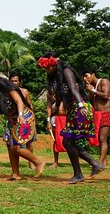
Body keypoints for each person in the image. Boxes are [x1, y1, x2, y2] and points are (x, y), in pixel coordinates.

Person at [38, 52, 104, 184]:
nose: (46, 70)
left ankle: (84, 171)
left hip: (81, 108)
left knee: (68, 142)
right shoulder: (56, 77)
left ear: (53, 64)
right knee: (68, 142)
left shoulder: (66, 71)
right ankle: (92, 165)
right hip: (74, 109)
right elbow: (60, 96)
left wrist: (80, 106)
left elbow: (74, 89)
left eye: (48, 67)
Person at [0, 70, 45, 180]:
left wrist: (21, 115)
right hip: (12, 119)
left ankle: (39, 163)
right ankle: (15, 174)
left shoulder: (9, 88)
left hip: (23, 117)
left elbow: (19, 101)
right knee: (10, 146)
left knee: (16, 147)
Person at [82, 68, 110, 167]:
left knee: (102, 138)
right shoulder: (92, 87)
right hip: (97, 114)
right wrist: (90, 91)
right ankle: (104, 162)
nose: (85, 78)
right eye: (83, 77)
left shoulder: (104, 81)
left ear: (93, 74)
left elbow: (106, 95)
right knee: (99, 138)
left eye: (86, 76)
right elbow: (91, 101)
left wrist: (93, 90)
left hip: (106, 113)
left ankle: (99, 163)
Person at [9, 71, 36, 167]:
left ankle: (32, 162)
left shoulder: (24, 91)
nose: (14, 83)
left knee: (29, 142)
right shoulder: (8, 92)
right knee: (12, 143)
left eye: (16, 81)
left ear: (19, 82)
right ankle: (15, 166)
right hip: (13, 118)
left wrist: (32, 118)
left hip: (25, 118)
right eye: (12, 81)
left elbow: (30, 104)